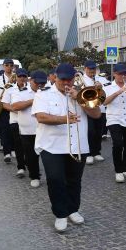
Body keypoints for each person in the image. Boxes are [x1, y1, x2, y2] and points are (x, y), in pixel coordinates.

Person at [32, 63, 101, 233]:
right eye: (63, 79)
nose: (66, 82)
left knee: (74, 180)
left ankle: (72, 209)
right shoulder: (44, 95)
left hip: (78, 144)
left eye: (69, 79)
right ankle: (60, 214)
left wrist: (79, 99)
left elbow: (96, 114)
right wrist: (64, 119)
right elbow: (41, 117)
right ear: (55, 77)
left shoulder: (81, 93)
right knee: (55, 180)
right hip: (52, 146)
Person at [10, 70, 47, 188]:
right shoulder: (21, 92)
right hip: (28, 131)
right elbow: (15, 106)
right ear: (30, 81)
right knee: (31, 156)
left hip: (46, 129)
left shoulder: (49, 91)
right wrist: (34, 100)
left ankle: (53, 175)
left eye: (43, 83)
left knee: (49, 155)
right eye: (37, 83)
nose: (40, 86)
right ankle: (34, 176)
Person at [103, 64, 126, 183]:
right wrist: (119, 92)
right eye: (120, 74)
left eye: (125, 74)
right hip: (114, 118)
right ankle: (118, 171)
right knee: (118, 144)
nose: (123, 76)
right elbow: (104, 102)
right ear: (114, 74)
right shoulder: (107, 87)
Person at [80, 60, 108, 165]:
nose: (92, 71)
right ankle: (89, 154)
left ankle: (97, 152)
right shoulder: (81, 80)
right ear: (85, 69)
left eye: (93, 69)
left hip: (100, 109)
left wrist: (101, 88)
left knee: (99, 131)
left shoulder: (101, 79)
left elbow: (106, 95)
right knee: (90, 132)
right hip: (87, 110)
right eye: (90, 69)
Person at [2, 68, 29, 178]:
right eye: (20, 76)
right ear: (16, 77)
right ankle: (21, 167)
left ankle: (29, 162)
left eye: (24, 76)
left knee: (29, 145)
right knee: (18, 144)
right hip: (15, 120)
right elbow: (4, 104)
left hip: (29, 121)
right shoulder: (10, 89)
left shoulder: (31, 89)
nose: (22, 78)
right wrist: (14, 109)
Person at [0, 59, 16, 163]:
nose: (9, 67)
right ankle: (7, 152)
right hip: (2, 106)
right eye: (7, 65)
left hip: (14, 105)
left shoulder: (16, 76)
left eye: (11, 65)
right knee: (4, 130)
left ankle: (13, 149)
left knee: (13, 129)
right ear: (3, 66)